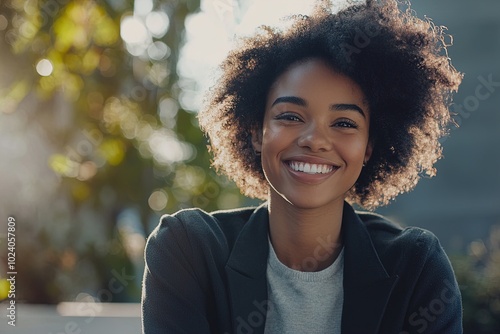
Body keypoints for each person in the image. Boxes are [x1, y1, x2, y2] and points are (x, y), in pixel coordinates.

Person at [141, 0, 464, 333]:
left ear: (369, 147)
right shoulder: (189, 249)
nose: (315, 140)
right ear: (256, 132)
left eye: (344, 123)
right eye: (290, 117)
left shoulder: (416, 268)